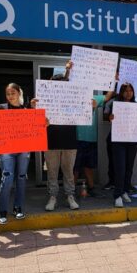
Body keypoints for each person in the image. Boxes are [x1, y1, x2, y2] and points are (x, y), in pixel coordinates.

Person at [40, 62, 80, 212]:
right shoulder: (44, 101)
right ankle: (53, 197)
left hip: (69, 141)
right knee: (52, 172)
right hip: (51, 141)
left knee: (69, 171)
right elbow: (35, 122)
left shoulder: (74, 101)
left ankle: (70, 196)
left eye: (63, 85)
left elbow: (84, 111)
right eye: (56, 85)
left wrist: (91, 106)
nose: (60, 89)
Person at [0, 83, 35, 224]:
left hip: (24, 149)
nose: (10, 96)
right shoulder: (1, 108)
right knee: (7, 178)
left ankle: (18, 208)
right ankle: (2, 211)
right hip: (6, 149)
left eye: (13, 93)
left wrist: (44, 123)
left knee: (22, 178)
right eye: (8, 94)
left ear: (19, 93)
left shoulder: (27, 109)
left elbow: (35, 128)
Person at [75, 78, 116, 198]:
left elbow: (108, 96)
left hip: (91, 139)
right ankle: (70, 191)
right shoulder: (72, 98)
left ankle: (91, 188)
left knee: (89, 166)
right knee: (74, 167)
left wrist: (113, 81)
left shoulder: (94, 98)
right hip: (75, 138)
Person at [105, 83, 137, 208]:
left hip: (132, 141)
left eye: (131, 90)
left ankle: (125, 191)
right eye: (126, 91)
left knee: (129, 169)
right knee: (120, 168)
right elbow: (106, 115)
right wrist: (110, 117)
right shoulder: (115, 104)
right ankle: (117, 195)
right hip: (118, 141)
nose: (128, 93)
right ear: (121, 92)